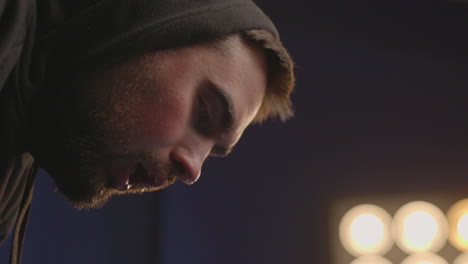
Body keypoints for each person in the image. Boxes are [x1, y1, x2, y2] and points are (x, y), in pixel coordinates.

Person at [0, 0, 295, 262]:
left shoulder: (8, 191)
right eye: (204, 111)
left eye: (213, 152)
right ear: (145, 27)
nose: (192, 171)